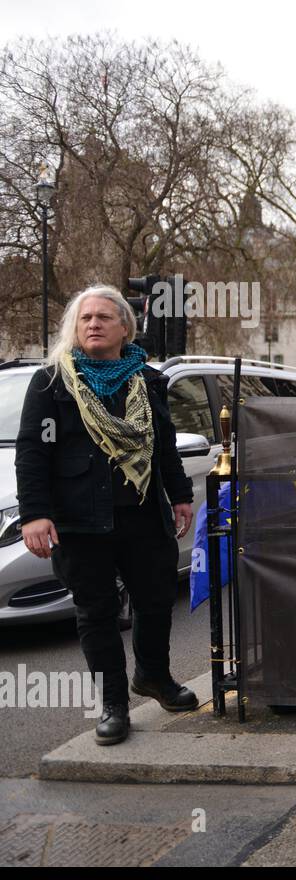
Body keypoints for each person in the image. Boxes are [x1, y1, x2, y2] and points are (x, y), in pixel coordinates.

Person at [16, 285, 197, 746]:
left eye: (102, 317)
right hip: (79, 520)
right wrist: (34, 514)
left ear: (124, 328)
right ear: (74, 330)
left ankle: (153, 677)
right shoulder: (52, 381)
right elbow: (32, 452)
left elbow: (164, 446)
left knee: (156, 602)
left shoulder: (149, 381)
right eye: (84, 318)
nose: (92, 324)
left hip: (142, 514)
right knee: (96, 613)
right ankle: (114, 704)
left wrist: (179, 495)